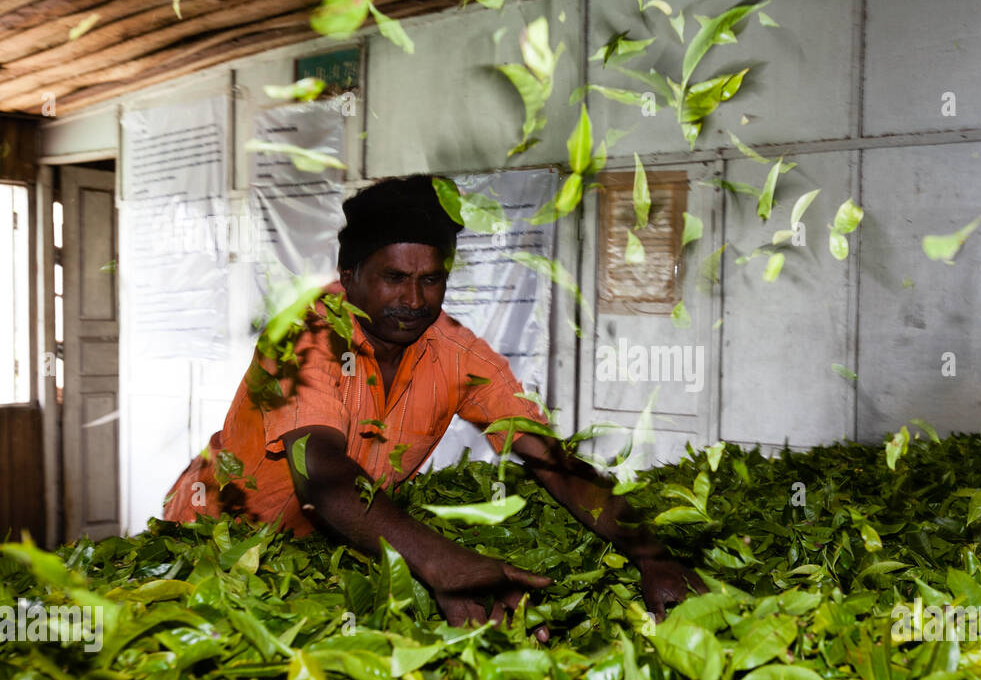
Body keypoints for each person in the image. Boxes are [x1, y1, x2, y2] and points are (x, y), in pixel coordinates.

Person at [162, 174, 704, 629]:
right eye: (394, 278)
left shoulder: (457, 352)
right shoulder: (305, 336)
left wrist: (651, 555)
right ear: (348, 276)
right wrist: (441, 564)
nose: (414, 300)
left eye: (431, 280)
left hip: (335, 544)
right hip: (216, 542)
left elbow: (552, 463)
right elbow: (321, 475)